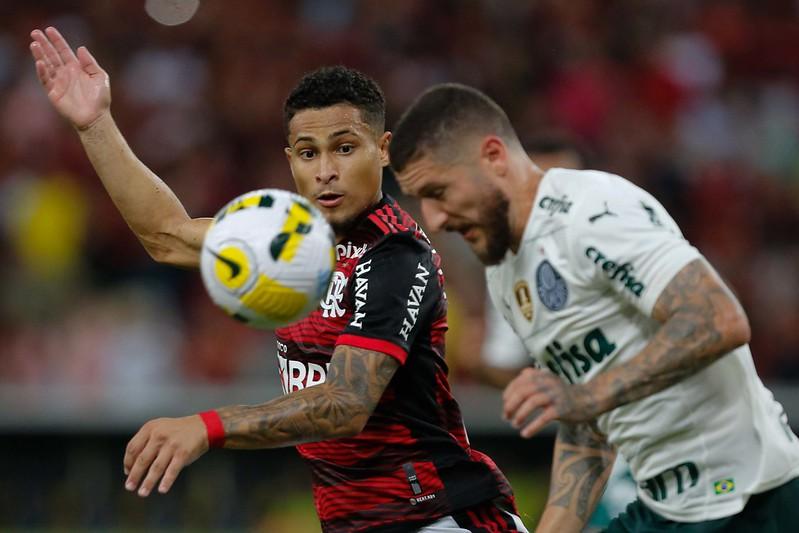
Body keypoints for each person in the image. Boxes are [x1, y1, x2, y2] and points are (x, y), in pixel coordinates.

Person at [29, 27, 528, 533]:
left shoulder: (396, 256)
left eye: (345, 148)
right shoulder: (282, 238)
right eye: (309, 153)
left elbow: (346, 404)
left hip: (443, 517)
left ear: (383, 151)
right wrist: (95, 123)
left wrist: (207, 427)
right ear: (291, 159)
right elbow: (167, 236)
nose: (326, 171)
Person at [388, 82, 799, 532]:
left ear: (493, 155)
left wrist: (585, 395)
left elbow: (716, 319)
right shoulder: (506, 274)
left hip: (747, 502)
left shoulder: (591, 213)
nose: (434, 220)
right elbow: (587, 424)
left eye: (439, 191)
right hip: (669, 508)